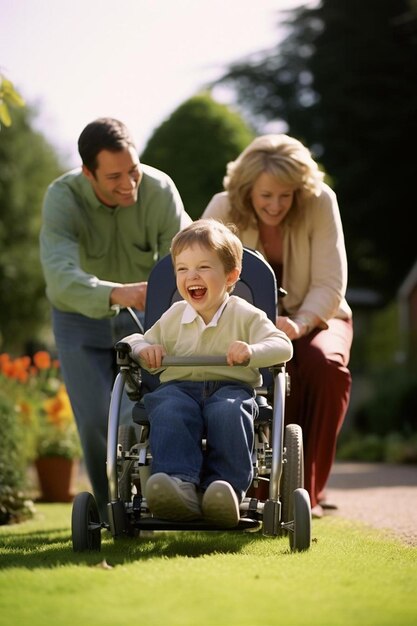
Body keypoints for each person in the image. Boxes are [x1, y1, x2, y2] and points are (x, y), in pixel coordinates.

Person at [39, 117, 192, 523]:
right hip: (78, 318)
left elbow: (186, 259)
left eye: (133, 171)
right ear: (87, 173)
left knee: (136, 411)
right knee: (93, 420)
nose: (129, 184)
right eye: (114, 177)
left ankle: (156, 497)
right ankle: (113, 513)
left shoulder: (159, 190)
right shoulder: (62, 197)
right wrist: (115, 291)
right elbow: (59, 276)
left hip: (144, 319)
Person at [202, 134, 353, 518]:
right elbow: (199, 271)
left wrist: (300, 324)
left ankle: (308, 493)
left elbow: (330, 283)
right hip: (246, 323)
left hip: (318, 316)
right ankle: (252, 485)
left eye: (285, 195)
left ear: (299, 189)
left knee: (325, 367)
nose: (276, 205)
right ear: (247, 188)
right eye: (266, 195)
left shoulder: (320, 202)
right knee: (251, 377)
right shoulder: (223, 206)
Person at [122, 219, 293, 528]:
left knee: (227, 411)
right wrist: (142, 348)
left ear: (231, 276)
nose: (192, 276)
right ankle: (178, 486)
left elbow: (283, 346)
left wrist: (252, 352)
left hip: (231, 388)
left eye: (203, 267)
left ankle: (225, 490)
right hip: (179, 389)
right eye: (183, 269)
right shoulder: (174, 316)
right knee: (170, 407)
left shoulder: (244, 314)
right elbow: (137, 340)